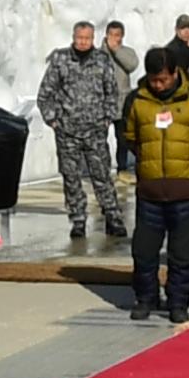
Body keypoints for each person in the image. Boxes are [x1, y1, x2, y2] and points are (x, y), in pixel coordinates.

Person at [122, 49, 189, 320]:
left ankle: (178, 303)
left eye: (163, 79)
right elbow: (130, 137)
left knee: (181, 254)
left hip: (186, 191)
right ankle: (146, 298)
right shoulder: (136, 101)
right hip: (150, 191)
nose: (159, 85)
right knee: (143, 252)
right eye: (154, 80)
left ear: (175, 74)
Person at [38, 21, 127, 251]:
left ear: (93, 38)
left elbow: (112, 92)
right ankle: (78, 219)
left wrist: (107, 118)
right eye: (79, 38)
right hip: (67, 132)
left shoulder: (102, 60)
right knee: (71, 177)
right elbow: (45, 94)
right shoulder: (61, 61)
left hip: (95, 131)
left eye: (87, 38)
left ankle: (112, 216)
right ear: (74, 36)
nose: (83, 42)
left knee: (101, 176)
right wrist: (53, 120)